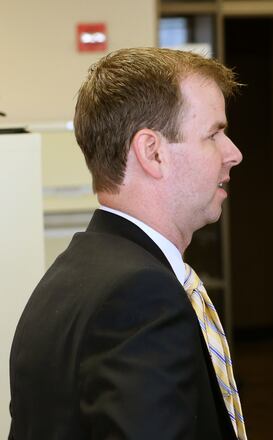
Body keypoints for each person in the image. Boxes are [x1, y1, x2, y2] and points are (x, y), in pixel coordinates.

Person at [9, 48, 246, 439]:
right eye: (214, 134)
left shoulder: (66, 278)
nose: (233, 153)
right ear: (152, 152)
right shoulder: (142, 298)